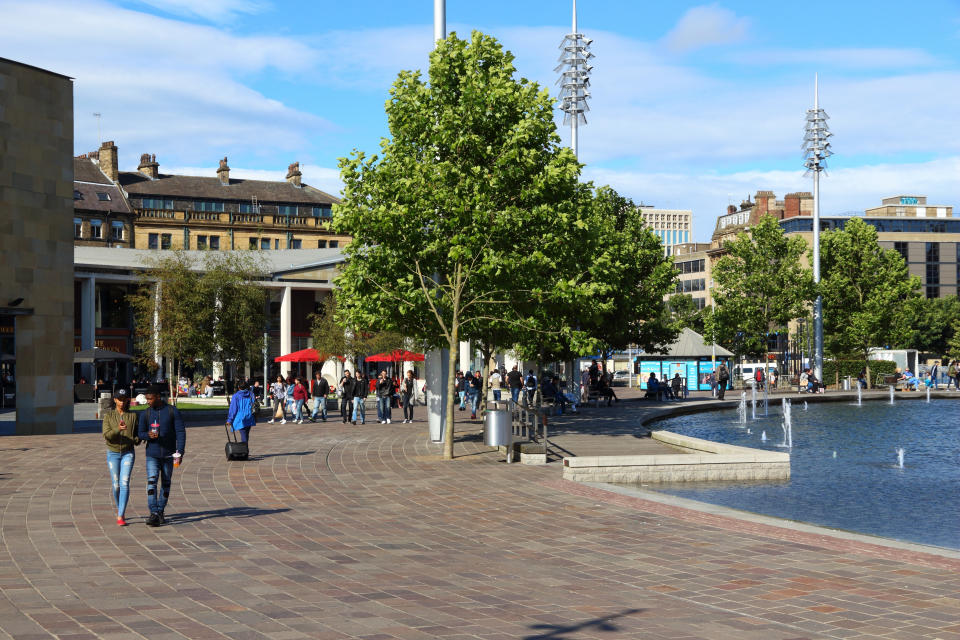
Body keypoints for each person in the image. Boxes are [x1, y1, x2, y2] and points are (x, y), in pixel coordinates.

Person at [138, 384, 185, 527]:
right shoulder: (145, 414)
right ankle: (154, 512)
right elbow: (140, 433)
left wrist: (180, 451)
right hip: (152, 454)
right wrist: (148, 435)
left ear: (158, 397)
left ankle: (160, 510)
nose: (148, 401)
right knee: (151, 482)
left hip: (169, 454)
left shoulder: (172, 411)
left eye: (150, 398)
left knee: (166, 483)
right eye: (147, 399)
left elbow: (180, 432)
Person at [102, 388, 141, 527]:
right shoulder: (109, 416)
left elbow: (137, 436)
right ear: (115, 400)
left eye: (124, 399)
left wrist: (137, 439)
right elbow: (106, 435)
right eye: (119, 399)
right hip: (112, 453)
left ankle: (120, 515)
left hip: (128, 453)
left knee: (124, 483)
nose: (122, 402)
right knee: (116, 484)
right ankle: (120, 509)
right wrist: (118, 429)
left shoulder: (133, 416)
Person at [226, 379, 257, 444]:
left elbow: (233, 409)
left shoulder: (236, 396)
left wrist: (229, 420)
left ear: (239, 387)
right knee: (246, 434)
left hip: (240, 417)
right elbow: (254, 404)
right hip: (250, 415)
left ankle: (245, 451)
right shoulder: (251, 394)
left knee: (243, 435)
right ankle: (246, 450)